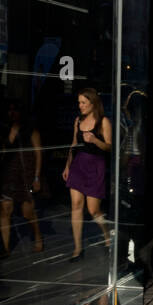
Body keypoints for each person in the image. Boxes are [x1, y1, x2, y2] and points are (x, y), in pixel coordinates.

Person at [62, 86, 111, 261]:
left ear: (93, 102)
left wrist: (95, 140)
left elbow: (109, 146)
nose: (80, 106)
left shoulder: (103, 121)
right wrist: (67, 166)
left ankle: (107, 236)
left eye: (83, 102)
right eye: (79, 102)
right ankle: (78, 249)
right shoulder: (78, 120)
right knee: (76, 205)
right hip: (78, 165)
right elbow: (74, 144)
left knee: (93, 210)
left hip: (95, 165)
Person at [0, 99, 43, 257]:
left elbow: (38, 154)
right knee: (5, 210)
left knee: (27, 212)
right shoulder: (6, 128)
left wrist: (37, 177)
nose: (12, 113)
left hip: (25, 174)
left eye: (15, 110)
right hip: (9, 174)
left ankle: (38, 237)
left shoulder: (31, 130)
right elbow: (3, 152)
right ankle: (5, 248)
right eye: (10, 110)